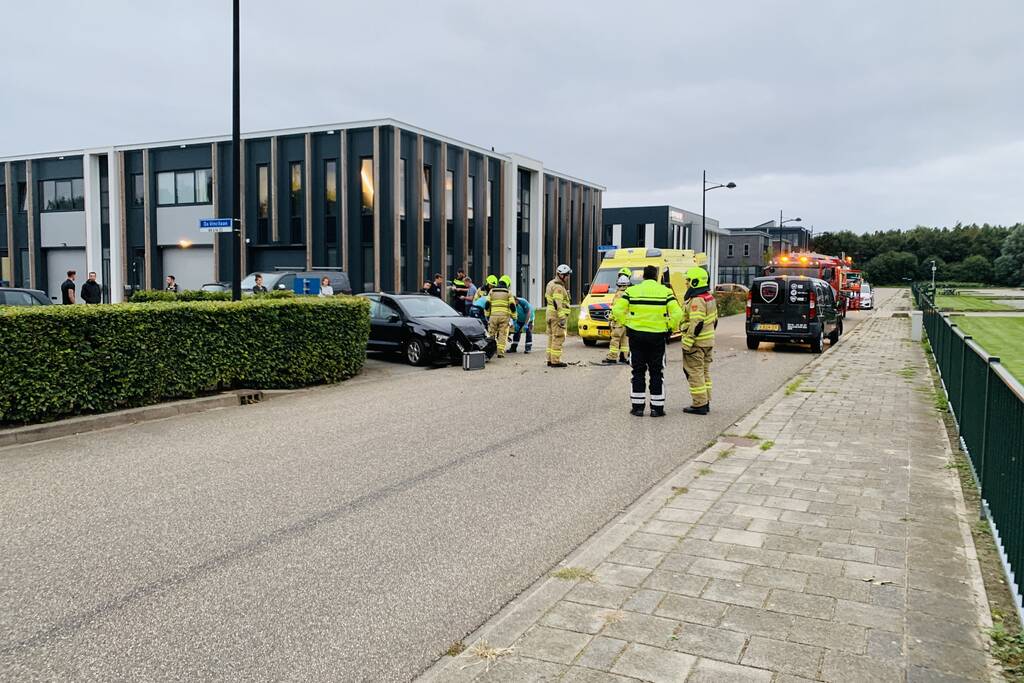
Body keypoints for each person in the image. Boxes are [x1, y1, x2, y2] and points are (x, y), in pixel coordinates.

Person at [612, 264, 683, 417]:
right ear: (656, 276)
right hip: (657, 337)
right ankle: (657, 409)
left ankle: (637, 408)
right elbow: (678, 313)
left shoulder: (631, 291)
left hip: (636, 336)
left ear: (643, 276)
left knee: (637, 371)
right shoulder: (665, 291)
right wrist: (669, 326)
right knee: (656, 372)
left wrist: (627, 323)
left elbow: (616, 310)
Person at [681, 266, 718, 415]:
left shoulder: (697, 300)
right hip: (708, 342)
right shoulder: (709, 297)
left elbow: (697, 323)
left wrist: (688, 342)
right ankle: (706, 400)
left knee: (694, 373)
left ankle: (699, 404)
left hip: (696, 344)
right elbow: (714, 321)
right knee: (704, 372)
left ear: (695, 282)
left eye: (688, 281)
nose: (686, 283)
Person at [545, 264, 572, 367]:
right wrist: (562, 318)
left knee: (551, 337)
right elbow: (557, 303)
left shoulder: (550, 284)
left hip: (549, 314)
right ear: (561, 275)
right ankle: (555, 361)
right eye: (567, 275)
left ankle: (550, 359)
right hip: (557, 316)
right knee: (558, 337)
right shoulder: (558, 287)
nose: (568, 277)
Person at [603, 274, 631, 364]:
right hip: (626, 322)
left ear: (618, 285)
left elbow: (615, 309)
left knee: (615, 339)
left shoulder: (618, 295)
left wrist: (611, 318)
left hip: (618, 321)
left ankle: (612, 357)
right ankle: (624, 356)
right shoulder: (629, 294)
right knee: (625, 340)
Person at [486, 275, 515, 357]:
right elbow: (512, 306)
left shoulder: (492, 291)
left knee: (491, 334)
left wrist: (487, 315)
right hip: (504, 317)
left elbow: (487, 304)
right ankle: (500, 353)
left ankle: (489, 351)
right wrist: (514, 316)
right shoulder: (508, 292)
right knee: (503, 334)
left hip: (493, 316)